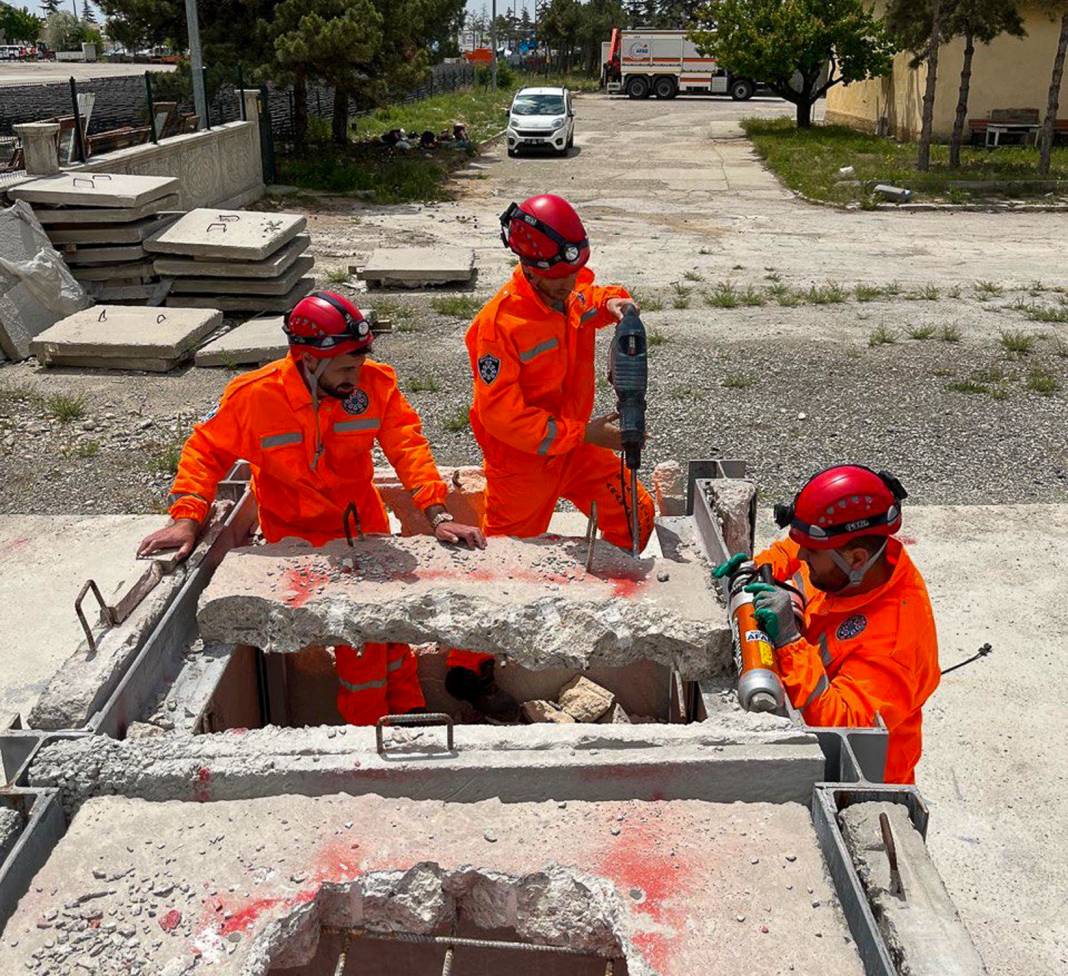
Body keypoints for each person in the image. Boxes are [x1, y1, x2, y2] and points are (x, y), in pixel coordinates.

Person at [137, 291, 486, 725]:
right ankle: (368, 735)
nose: (354, 376)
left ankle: (410, 708)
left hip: (363, 532)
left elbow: (407, 446)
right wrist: (187, 518)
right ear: (308, 361)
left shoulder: (374, 385)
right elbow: (205, 452)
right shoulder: (254, 397)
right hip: (297, 542)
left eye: (358, 365)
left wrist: (437, 513)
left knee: (389, 635)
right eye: (344, 368)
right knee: (359, 644)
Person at [444, 194, 656, 716]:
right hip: (524, 462)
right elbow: (502, 418)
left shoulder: (571, 288)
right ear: (530, 268)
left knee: (635, 515)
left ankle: (607, 618)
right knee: (507, 567)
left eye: (576, 273)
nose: (570, 286)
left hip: (577, 446)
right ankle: (467, 668)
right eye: (560, 280)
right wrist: (584, 435)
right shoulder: (499, 325)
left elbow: (595, 294)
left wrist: (617, 305)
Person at [714, 465, 939, 784]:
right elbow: (793, 549)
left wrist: (790, 641)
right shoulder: (847, 562)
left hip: (865, 786)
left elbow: (844, 729)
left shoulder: (895, 645)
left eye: (812, 552)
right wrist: (763, 567)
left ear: (858, 559)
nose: (801, 555)